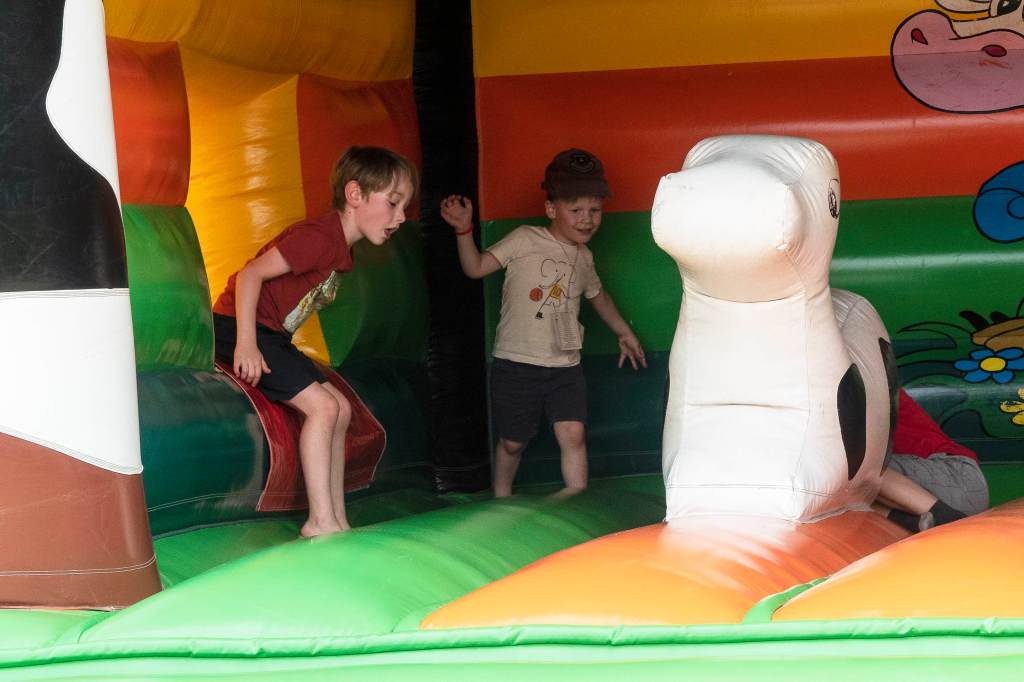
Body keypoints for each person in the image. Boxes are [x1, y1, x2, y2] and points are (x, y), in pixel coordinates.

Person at [212, 146, 418, 537]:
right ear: (355, 194)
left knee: (341, 407)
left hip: (272, 335)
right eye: (393, 203)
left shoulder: (341, 248)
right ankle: (319, 520)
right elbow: (250, 275)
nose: (402, 216)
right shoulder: (320, 237)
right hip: (239, 327)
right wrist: (246, 343)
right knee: (323, 408)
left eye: (405, 206)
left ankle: (336, 518)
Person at [440, 148, 647, 497]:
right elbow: (475, 268)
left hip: (565, 366)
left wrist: (624, 332)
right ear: (551, 209)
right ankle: (501, 496)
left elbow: (599, 297)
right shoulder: (525, 238)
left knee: (573, 434)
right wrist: (464, 230)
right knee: (513, 442)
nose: (587, 219)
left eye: (595, 210)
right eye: (576, 210)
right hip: (517, 364)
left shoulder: (584, 257)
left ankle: (575, 495)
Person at [876, 388, 990, 532]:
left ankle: (949, 520)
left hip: (956, 476)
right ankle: (914, 522)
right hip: (931, 496)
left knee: (854, 470)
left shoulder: (869, 387)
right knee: (851, 496)